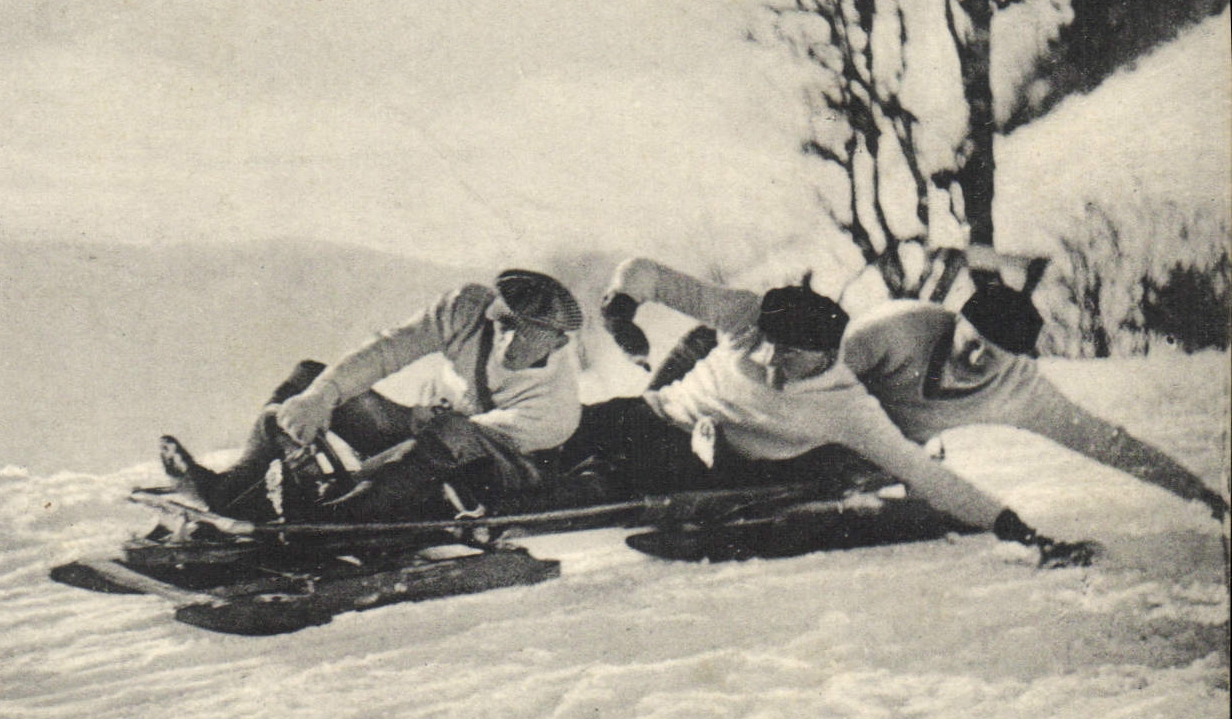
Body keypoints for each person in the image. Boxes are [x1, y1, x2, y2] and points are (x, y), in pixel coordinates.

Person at [559, 257, 1098, 567]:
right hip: (651, 413)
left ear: (824, 356)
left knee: (606, 475)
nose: (768, 360)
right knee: (568, 429)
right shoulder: (745, 313)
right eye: (765, 344)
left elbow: (927, 474)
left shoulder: (848, 408)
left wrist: (1022, 532)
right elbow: (646, 272)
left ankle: (548, 488)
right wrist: (622, 307)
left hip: (707, 458)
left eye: (788, 356)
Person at [159, 268, 585, 522]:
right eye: (506, 323)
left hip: (492, 475)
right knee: (311, 377)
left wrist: (380, 460)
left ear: (557, 344)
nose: (508, 340)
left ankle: (340, 521)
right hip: (424, 440)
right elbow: (387, 350)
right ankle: (231, 492)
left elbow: (467, 441)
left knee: (451, 434)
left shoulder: (555, 409)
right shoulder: (468, 309)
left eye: (526, 335)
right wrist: (322, 397)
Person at [841, 280, 1228, 521]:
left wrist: (1197, 492)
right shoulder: (896, 327)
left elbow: (1106, 442)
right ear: (956, 322)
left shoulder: (1019, 390)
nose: (975, 359)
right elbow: (801, 382)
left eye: (992, 356)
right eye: (972, 343)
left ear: (1016, 361)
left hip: (883, 459)